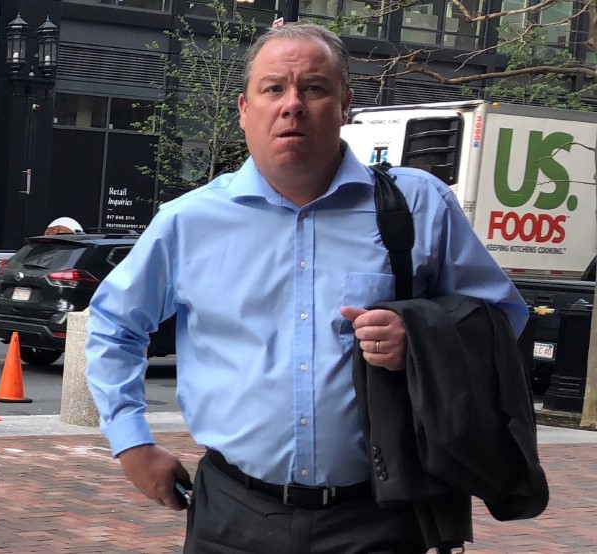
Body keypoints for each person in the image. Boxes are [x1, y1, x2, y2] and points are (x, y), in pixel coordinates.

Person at [85, 23, 529, 553]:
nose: (292, 104)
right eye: (273, 88)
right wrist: (132, 445)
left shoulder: (417, 206)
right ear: (244, 108)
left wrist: (420, 338)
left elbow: (500, 321)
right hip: (234, 516)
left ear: (345, 104)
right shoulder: (187, 222)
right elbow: (114, 325)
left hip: (383, 517)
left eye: (313, 88)